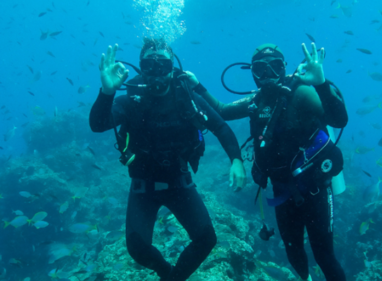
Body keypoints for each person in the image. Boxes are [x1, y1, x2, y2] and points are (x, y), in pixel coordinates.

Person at [89, 38, 246, 281]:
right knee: (137, 249)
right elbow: (98, 125)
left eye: (162, 64)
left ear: (172, 67)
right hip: (143, 186)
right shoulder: (131, 99)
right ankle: (166, 273)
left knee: (207, 240)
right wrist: (107, 91)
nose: (156, 72)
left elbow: (221, 127)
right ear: (142, 67)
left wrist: (236, 160)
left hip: (179, 182)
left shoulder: (187, 97)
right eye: (149, 66)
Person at [191, 43, 348, 281]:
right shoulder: (256, 100)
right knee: (293, 251)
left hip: (314, 189)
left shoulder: (301, 92)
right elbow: (221, 110)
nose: (267, 76)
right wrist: (197, 86)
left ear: (284, 68)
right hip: (282, 192)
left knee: (324, 255)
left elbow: (338, 120)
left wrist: (321, 83)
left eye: (274, 67)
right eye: (260, 70)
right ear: (252, 73)